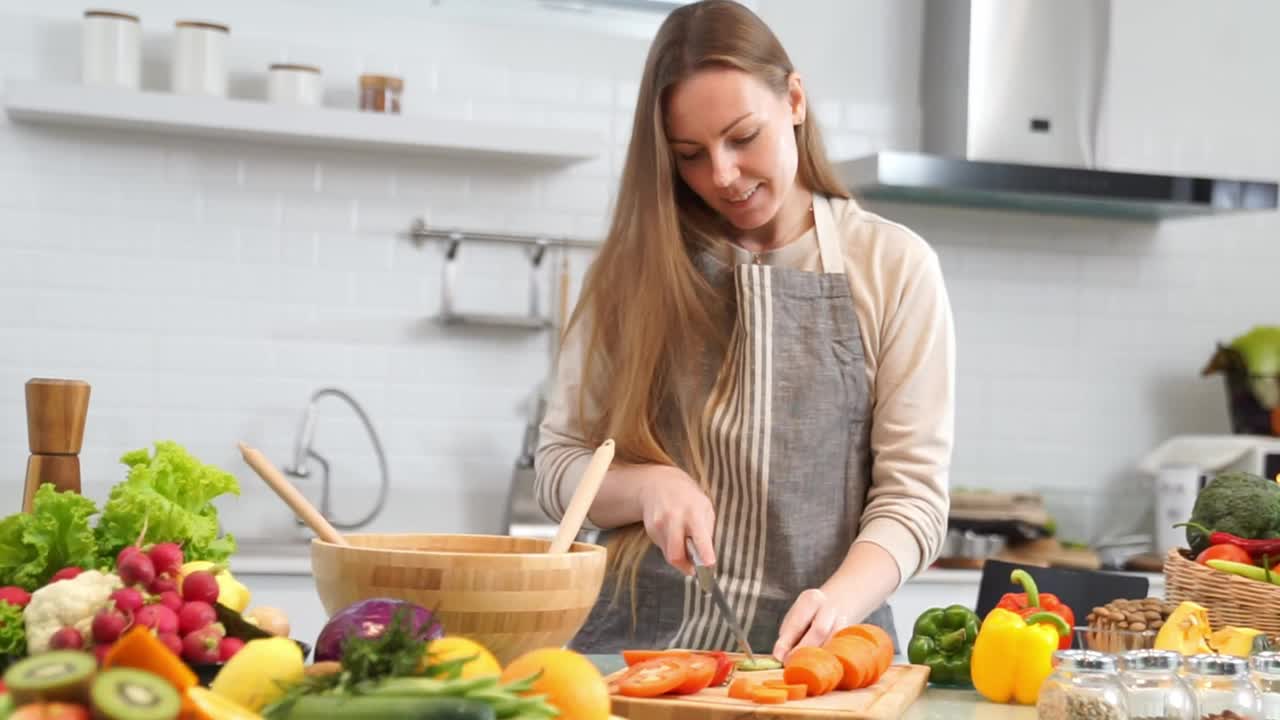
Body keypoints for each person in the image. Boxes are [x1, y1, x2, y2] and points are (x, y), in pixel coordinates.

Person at [534, 0, 953, 661]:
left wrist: (840, 600)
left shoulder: (894, 267)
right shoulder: (630, 271)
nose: (722, 176)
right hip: (629, 658)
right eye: (690, 154)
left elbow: (914, 501)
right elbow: (557, 464)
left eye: (742, 137)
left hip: (818, 662)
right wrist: (648, 487)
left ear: (793, 100)